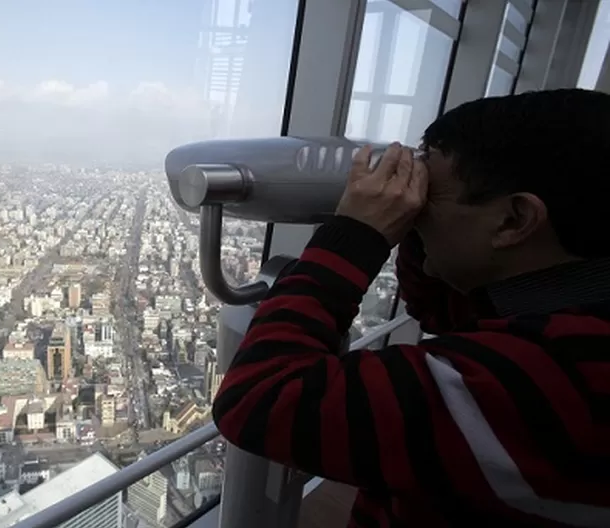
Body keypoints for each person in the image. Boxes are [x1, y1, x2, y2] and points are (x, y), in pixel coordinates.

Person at [211, 88, 610, 527]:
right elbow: (441, 310)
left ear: (514, 220)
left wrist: (355, 235)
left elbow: (262, 400)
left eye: (429, 196)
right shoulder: (570, 317)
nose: (414, 206)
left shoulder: (553, 379)